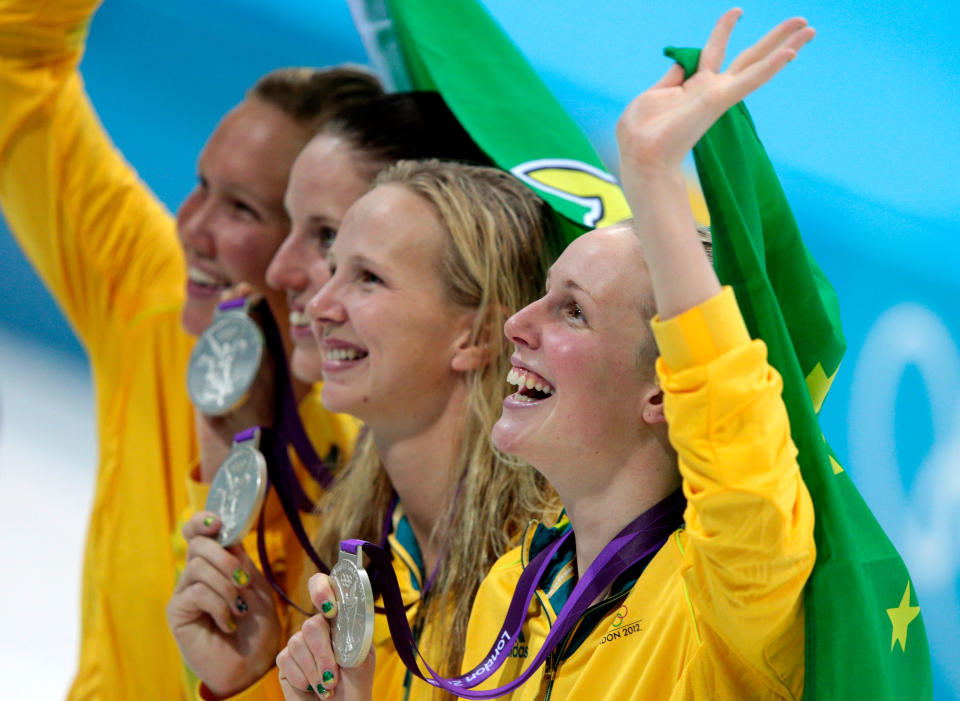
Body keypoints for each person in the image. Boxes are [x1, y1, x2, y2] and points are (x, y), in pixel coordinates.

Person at [278, 9, 817, 700]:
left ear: (665, 387)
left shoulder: (727, 593)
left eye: (572, 311)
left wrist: (651, 177)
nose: (517, 325)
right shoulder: (517, 590)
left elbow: (732, 416)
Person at [0, 1, 378, 697]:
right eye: (201, 186)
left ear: (332, 243)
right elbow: (15, 63)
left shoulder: (377, 476)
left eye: (242, 208)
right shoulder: (159, 302)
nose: (191, 227)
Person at [168, 104, 558, 699]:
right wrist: (245, 681)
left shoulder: (558, 584)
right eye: (333, 268)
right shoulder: (345, 554)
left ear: (478, 334)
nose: (321, 304)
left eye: (367, 278)